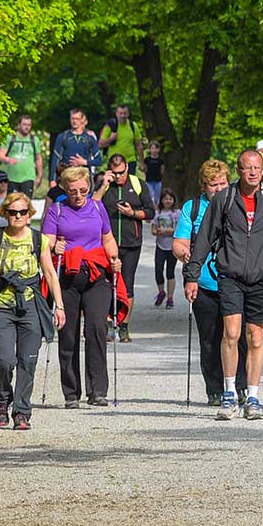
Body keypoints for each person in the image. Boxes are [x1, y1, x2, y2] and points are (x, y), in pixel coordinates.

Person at [186, 149, 263, 421]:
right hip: (231, 276)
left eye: (257, 167)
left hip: (261, 278)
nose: (253, 172)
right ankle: (230, 392)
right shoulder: (224, 199)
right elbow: (204, 238)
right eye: (247, 168)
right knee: (231, 334)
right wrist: (192, 275)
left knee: (255, 337)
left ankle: (253, 396)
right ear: (239, 170)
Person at [0, 192, 65, 431]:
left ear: (30, 214)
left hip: (30, 305)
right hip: (1, 306)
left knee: (27, 361)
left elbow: (50, 273)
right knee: (4, 360)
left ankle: (21, 412)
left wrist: (59, 306)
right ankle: (1, 401)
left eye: (22, 212)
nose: (17, 216)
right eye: (12, 212)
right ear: (5, 213)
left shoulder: (38, 240)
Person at [42, 167, 123, 408]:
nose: (78, 195)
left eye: (84, 190)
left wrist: (114, 258)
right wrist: (54, 247)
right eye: (73, 191)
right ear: (65, 190)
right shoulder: (56, 210)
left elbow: (107, 238)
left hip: (96, 276)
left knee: (97, 328)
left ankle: (97, 391)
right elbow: (47, 242)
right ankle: (71, 393)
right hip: (67, 277)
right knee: (68, 333)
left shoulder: (97, 208)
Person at [173, 160, 248, 406]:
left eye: (223, 184)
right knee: (210, 338)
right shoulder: (193, 208)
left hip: (236, 281)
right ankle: (214, 388)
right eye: (213, 185)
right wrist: (184, 253)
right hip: (204, 282)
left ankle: (241, 385)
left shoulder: (237, 203)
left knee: (238, 336)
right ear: (203, 186)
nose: (218, 189)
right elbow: (179, 242)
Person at [95, 153, 156, 342]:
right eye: (115, 173)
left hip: (131, 243)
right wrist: (104, 184)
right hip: (107, 243)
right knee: (106, 284)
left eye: (121, 172)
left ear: (127, 169)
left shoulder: (138, 184)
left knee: (127, 285)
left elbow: (150, 212)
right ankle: (108, 325)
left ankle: (124, 326)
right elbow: (91, 206)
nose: (118, 176)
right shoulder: (105, 185)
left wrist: (133, 213)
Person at [50, 109, 103, 188]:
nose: (74, 121)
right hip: (66, 177)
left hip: (83, 178)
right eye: (72, 119)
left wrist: (84, 162)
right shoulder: (63, 137)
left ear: (82, 120)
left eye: (77, 119)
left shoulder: (89, 138)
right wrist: (52, 179)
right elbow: (55, 158)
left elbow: (98, 160)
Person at [0, 115, 44, 196]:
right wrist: (8, 159)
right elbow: (0, 155)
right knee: (12, 204)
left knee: (26, 204)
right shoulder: (10, 138)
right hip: (12, 178)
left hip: (28, 178)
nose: (27, 127)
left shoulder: (34, 140)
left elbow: (38, 158)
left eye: (29, 125)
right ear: (19, 125)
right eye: (24, 124)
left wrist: (39, 176)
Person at [151, 188, 181, 309]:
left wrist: (166, 231)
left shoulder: (177, 213)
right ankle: (161, 292)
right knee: (158, 270)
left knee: (170, 272)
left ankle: (170, 297)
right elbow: (153, 229)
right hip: (160, 246)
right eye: (165, 199)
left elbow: (179, 230)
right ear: (162, 200)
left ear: (173, 200)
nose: (168, 201)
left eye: (170, 199)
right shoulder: (158, 213)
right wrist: (157, 231)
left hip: (172, 246)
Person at [99, 105, 145, 174]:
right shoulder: (110, 126)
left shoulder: (133, 126)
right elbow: (100, 144)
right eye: (120, 113)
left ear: (128, 114)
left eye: (125, 113)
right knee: (115, 184)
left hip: (130, 162)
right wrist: (111, 139)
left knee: (129, 183)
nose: (122, 116)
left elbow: (139, 145)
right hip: (115, 162)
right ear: (116, 114)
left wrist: (141, 162)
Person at [142, 141, 165, 206]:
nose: (154, 150)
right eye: (152, 148)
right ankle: (151, 207)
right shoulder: (147, 159)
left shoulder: (160, 160)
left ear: (159, 149)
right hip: (149, 180)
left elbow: (162, 170)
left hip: (158, 180)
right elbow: (144, 168)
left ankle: (157, 208)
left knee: (157, 197)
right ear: (149, 149)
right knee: (150, 195)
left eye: (156, 148)